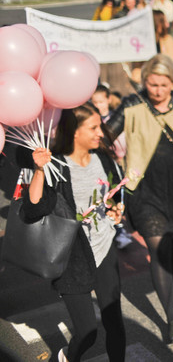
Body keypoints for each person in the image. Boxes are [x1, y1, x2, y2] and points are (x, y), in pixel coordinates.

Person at [107, 54, 173, 344]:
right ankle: (171, 320)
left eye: (164, 84)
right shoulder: (132, 105)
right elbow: (104, 134)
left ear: (172, 83)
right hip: (144, 189)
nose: (158, 90)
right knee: (158, 248)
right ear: (145, 81)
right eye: (152, 84)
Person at [23, 104, 126, 362]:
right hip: (72, 256)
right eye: (93, 128)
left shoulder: (103, 158)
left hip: (104, 246)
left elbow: (111, 195)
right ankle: (69, 356)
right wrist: (38, 170)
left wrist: (115, 210)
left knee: (114, 322)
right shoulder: (56, 164)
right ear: (74, 132)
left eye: (100, 125)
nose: (101, 132)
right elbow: (33, 208)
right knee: (87, 331)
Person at [91, 84, 134, 249]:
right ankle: (117, 230)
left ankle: (121, 227)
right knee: (107, 197)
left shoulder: (116, 118)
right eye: (95, 102)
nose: (98, 105)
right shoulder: (94, 122)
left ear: (108, 100)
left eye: (101, 101)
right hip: (105, 164)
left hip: (121, 161)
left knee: (121, 196)